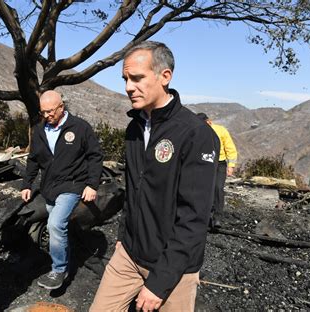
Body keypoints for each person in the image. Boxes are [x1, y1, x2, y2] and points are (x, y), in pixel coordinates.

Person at [90, 41, 219, 312]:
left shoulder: (196, 134)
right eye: (125, 79)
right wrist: (123, 236)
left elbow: (194, 219)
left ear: (165, 77)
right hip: (129, 255)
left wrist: (159, 283)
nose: (128, 87)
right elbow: (133, 192)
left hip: (173, 267)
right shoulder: (134, 129)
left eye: (137, 78)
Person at [21, 90, 103, 290]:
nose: (47, 115)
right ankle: (71, 255)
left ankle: (58, 269)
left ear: (61, 107)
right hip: (49, 187)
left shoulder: (80, 127)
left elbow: (95, 156)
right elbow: (33, 160)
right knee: (60, 226)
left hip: (72, 184)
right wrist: (27, 184)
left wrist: (92, 184)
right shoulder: (40, 131)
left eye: (50, 111)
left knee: (55, 224)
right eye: (43, 112)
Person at [197, 112, 238, 228]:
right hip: (204, 163)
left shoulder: (221, 131)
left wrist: (231, 166)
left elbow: (230, 149)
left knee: (218, 188)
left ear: (209, 122)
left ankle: (217, 218)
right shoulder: (197, 131)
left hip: (219, 164)